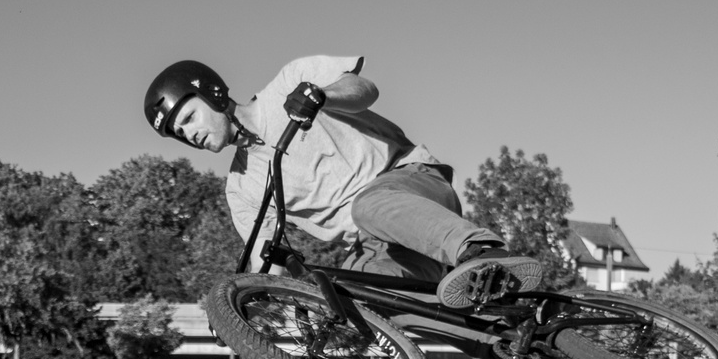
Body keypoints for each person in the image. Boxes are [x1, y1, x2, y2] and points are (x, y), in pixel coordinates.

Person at [143, 56, 543, 306]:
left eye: (189, 117)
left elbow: (364, 88)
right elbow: (264, 259)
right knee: (343, 299)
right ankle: (514, 341)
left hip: (411, 182)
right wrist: (239, 306)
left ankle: (482, 249)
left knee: (367, 205)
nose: (188, 133)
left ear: (211, 93)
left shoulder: (290, 82)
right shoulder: (242, 188)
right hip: (377, 245)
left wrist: (322, 95)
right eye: (178, 133)